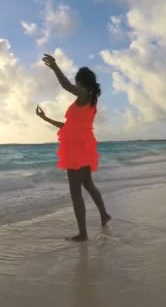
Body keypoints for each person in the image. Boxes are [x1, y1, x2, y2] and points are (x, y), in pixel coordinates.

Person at [36, 53, 111, 241]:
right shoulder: (90, 100)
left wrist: (54, 67)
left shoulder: (85, 95)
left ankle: (83, 234)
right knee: (88, 185)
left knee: (76, 193)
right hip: (84, 147)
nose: (75, 86)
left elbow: (66, 85)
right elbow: (67, 127)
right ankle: (104, 215)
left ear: (82, 83)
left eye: (77, 82)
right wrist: (45, 119)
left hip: (77, 150)